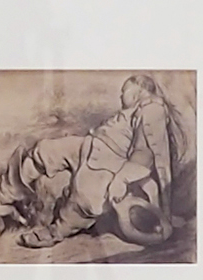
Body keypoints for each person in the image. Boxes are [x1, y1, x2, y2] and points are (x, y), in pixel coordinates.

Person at [16, 73, 192, 249]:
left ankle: (56, 232)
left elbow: (145, 155)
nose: (121, 96)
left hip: (109, 161)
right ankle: (6, 194)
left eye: (124, 91)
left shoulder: (153, 109)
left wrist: (121, 179)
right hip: (90, 146)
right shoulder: (134, 110)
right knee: (46, 150)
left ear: (138, 91)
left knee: (87, 198)